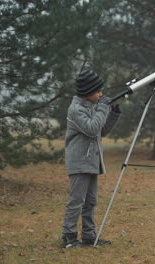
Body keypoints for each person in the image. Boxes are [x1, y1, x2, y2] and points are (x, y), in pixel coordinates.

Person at [61, 70, 121, 248]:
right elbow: (92, 129)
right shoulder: (75, 110)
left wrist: (113, 114)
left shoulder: (91, 107)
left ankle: (88, 236)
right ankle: (69, 237)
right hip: (79, 162)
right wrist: (103, 107)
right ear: (88, 92)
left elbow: (101, 131)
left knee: (91, 201)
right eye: (98, 91)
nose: (101, 94)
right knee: (76, 201)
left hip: (91, 161)